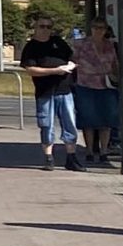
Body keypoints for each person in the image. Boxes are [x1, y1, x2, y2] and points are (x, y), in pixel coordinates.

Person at [18, 15, 78, 169]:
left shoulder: (58, 42)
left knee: (69, 123)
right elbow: (30, 69)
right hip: (45, 91)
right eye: (42, 26)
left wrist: (69, 66)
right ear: (36, 28)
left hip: (64, 89)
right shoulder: (31, 47)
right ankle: (49, 158)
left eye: (48, 27)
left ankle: (71, 157)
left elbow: (72, 57)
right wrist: (54, 71)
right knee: (46, 124)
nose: (45, 30)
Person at [73, 21, 122, 169]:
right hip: (86, 84)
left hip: (106, 85)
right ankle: (89, 150)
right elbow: (74, 61)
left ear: (106, 29)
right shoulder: (81, 44)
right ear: (91, 28)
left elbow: (115, 64)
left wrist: (116, 76)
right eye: (95, 27)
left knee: (106, 120)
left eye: (101, 28)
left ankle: (103, 151)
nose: (98, 31)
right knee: (88, 119)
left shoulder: (110, 45)